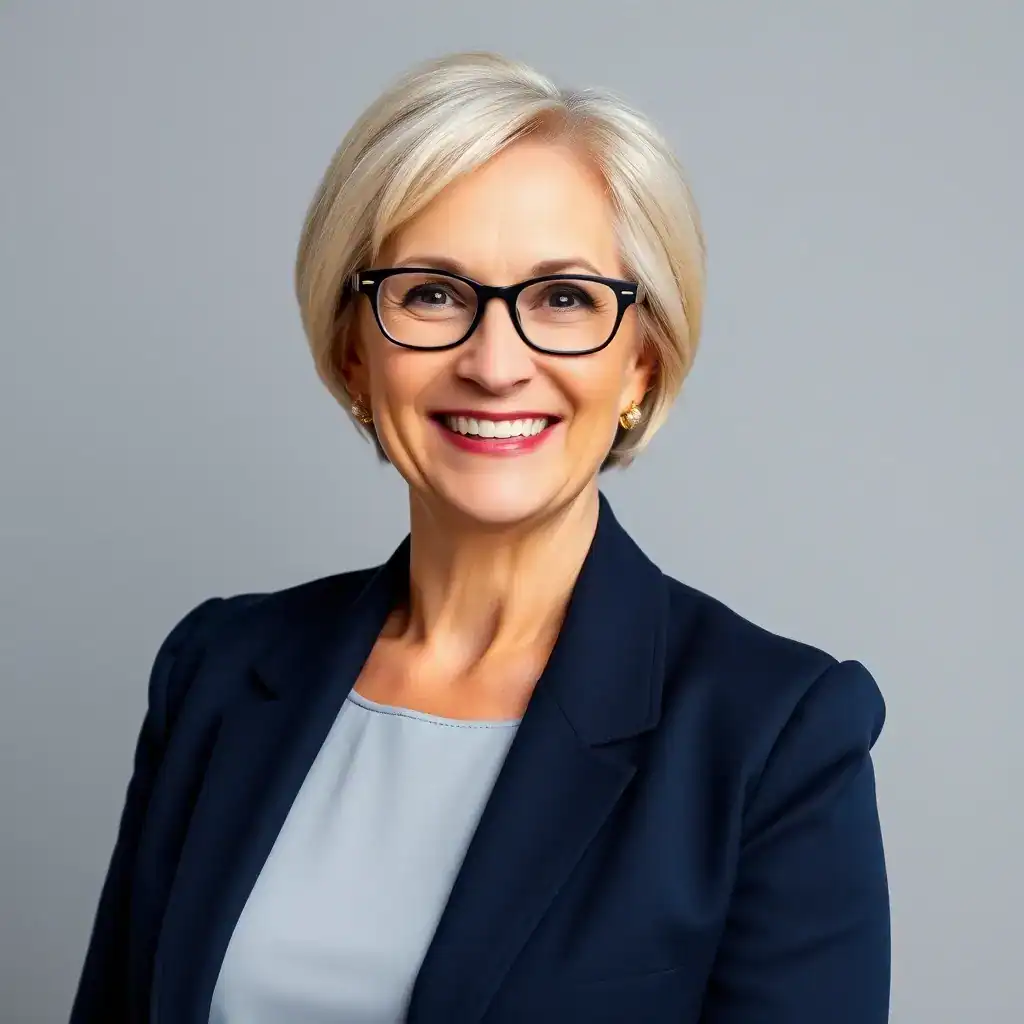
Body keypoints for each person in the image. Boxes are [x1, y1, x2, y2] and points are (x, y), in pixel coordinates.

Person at [69, 51, 890, 1024]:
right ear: (355, 351)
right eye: (432, 294)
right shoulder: (215, 672)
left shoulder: (771, 737)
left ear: (641, 361)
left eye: (563, 299)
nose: (495, 364)